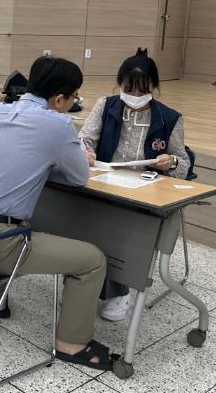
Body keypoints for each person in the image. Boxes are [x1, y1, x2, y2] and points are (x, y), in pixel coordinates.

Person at [0, 56, 118, 372]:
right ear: (59, 99)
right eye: (73, 98)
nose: (72, 105)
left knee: (15, 218)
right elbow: (78, 177)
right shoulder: (58, 125)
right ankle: (72, 343)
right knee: (93, 260)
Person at [79, 48, 191, 322]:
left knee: (116, 230)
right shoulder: (106, 106)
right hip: (105, 183)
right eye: (129, 89)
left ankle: (118, 291)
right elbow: (84, 139)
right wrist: (85, 151)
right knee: (84, 220)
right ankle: (85, 279)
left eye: (143, 91)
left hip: (145, 192)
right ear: (119, 85)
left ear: (154, 88)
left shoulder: (169, 118)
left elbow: (184, 164)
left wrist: (171, 162)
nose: (136, 96)